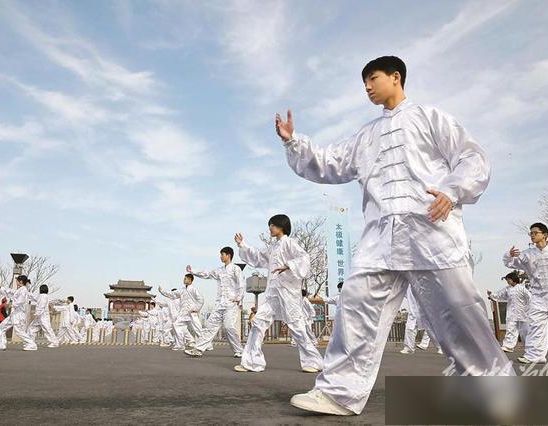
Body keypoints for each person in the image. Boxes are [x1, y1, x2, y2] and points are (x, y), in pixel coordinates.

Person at [278, 56, 514, 415]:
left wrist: (452, 191)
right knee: (355, 305)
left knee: (459, 312)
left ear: (395, 77)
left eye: (372, 78)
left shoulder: (429, 118)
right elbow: (329, 162)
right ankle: (339, 393)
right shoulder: (366, 135)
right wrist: (294, 143)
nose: (367, 87)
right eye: (364, 82)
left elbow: (472, 158)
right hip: (380, 238)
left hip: (430, 231)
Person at [232, 214, 324, 373]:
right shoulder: (273, 247)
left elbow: (304, 258)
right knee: (258, 322)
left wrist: (288, 266)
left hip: (287, 292)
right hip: (272, 292)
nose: (270, 228)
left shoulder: (289, 243)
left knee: (297, 327)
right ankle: (252, 362)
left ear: (282, 226)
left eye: (273, 225)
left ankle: (313, 362)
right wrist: (243, 245)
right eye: (270, 225)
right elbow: (259, 257)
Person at [503, 222, 548, 364]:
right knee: (535, 325)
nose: (532, 235)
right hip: (540, 297)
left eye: (535, 233)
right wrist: (509, 255)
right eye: (531, 233)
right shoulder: (527, 254)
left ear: (544, 235)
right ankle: (534, 355)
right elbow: (509, 263)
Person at [184, 247, 245, 358]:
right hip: (219, 304)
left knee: (228, 327)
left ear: (229, 255)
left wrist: (239, 297)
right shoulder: (220, 270)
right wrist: (193, 271)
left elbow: (241, 283)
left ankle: (239, 350)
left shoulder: (235, 269)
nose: (221, 257)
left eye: (222, 254)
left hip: (231, 304)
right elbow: (207, 273)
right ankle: (198, 349)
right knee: (210, 326)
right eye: (221, 254)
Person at [487, 271, 530, 353]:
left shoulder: (522, 288)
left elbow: (530, 298)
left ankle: (529, 347)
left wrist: (530, 309)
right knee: (510, 329)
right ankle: (508, 346)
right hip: (512, 313)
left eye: (508, 279)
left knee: (525, 331)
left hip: (523, 313)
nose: (507, 281)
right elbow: (499, 294)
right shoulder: (507, 289)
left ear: (513, 279)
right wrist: (491, 294)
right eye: (507, 280)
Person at [160, 273, 204, 351]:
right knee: (176, 325)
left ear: (190, 280)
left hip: (192, 312)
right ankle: (180, 345)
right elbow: (172, 294)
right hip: (183, 313)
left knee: (197, 328)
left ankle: (205, 344)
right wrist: (162, 291)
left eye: (185, 278)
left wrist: (196, 309)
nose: (184, 280)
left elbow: (201, 299)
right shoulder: (182, 290)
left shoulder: (193, 289)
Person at [0, 275, 37, 351]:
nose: (16, 282)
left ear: (20, 281)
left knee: (19, 331)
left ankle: (31, 344)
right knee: (1, 327)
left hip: (18, 315)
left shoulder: (23, 290)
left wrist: (11, 305)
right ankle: (1, 344)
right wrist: (0, 288)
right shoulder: (20, 290)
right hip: (14, 315)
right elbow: (10, 292)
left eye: (17, 280)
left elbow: (20, 301)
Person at [400, 287, 442, 355]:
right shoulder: (408, 287)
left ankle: (440, 347)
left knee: (430, 331)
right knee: (409, 328)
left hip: (425, 311)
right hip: (413, 312)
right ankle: (409, 348)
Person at [26, 284, 59, 349]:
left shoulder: (43, 296)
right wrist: (26, 293)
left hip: (42, 316)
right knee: (32, 328)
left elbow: (41, 306)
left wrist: (37, 313)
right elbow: (34, 297)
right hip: (40, 316)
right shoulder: (42, 296)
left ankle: (54, 342)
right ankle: (30, 343)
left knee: (47, 329)